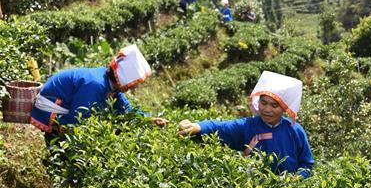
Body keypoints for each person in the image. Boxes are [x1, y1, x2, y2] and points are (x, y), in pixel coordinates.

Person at [177, 71, 314, 177]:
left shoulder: (295, 130)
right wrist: (197, 126)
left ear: (284, 108)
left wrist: (296, 179)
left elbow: (307, 164)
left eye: (274, 105)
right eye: (263, 103)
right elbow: (220, 127)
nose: (267, 109)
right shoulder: (248, 126)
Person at [30, 45, 168, 142]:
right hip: (53, 105)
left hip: (66, 103)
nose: (132, 88)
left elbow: (126, 110)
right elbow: (77, 117)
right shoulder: (96, 84)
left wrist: (148, 119)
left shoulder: (111, 85)